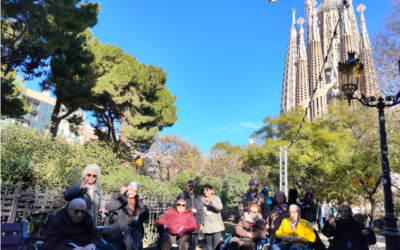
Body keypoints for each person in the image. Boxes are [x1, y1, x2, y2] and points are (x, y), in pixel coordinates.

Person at [42, 198, 115, 250]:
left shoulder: (86, 217)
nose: (80, 215)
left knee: (110, 247)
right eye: (76, 211)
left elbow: (96, 234)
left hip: (85, 246)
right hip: (69, 247)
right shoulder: (58, 221)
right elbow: (49, 245)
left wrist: (93, 244)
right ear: (69, 210)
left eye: (82, 212)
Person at [104, 182, 150, 250]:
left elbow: (144, 208)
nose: (133, 192)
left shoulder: (137, 199)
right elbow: (109, 207)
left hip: (136, 226)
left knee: (139, 245)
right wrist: (124, 198)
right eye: (132, 189)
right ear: (127, 188)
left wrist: (144, 213)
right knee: (129, 245)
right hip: (124, 227)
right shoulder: (118, 196)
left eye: (135, 191)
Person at [175, 180, 204, 250]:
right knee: (183, 244)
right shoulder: (181, 195)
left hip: (196, 222)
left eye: (193, 186)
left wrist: (202, 223)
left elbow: (200, 210)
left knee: (193, 244)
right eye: (189, 185)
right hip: (184, 223)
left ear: (195, 187)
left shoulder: (198, 197)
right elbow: (175, 207)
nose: (191, 187)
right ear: (186, 186)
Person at [201, 184, 225, 250]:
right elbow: (200, 213)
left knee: (216, 245)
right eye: (204, 190)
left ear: (211, 191)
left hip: (216, 225)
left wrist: (212, 202)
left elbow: (219, 207)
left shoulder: (216, 198)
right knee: (208, 245)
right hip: (206, 225)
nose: (205, 192)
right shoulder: (201, 200)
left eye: (207, 190)